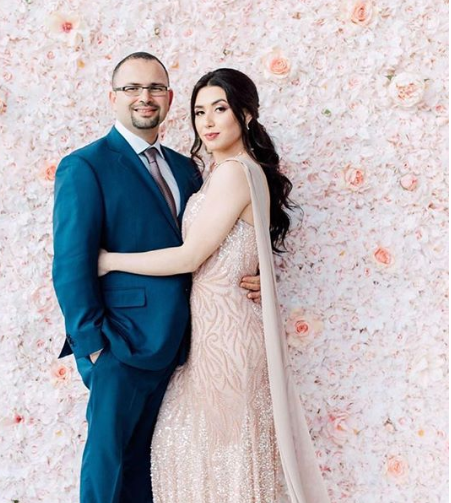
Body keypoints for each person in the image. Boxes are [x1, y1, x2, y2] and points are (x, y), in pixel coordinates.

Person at [98, 69, 331, 503]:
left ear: (245, 115)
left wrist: (109, 261)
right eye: (199, 111)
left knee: (216, 459)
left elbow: (190, 257)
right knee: (207, 455)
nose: (207, 121)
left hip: (228, 342)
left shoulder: (233, 174)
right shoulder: (228, 172)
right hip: (215, 336)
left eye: (220, 109)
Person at [51, 53, 261, 503]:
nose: (144, 97)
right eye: (132, 88)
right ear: (113, 97)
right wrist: (93, 347)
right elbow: (71, 263)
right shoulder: (85, 165)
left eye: (155, 89)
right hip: (120, 345)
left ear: (167, 98)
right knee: (107, 467)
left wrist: (258, 270)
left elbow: (216, 240)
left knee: (156, 469)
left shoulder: (186, 168)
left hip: (189, 347)